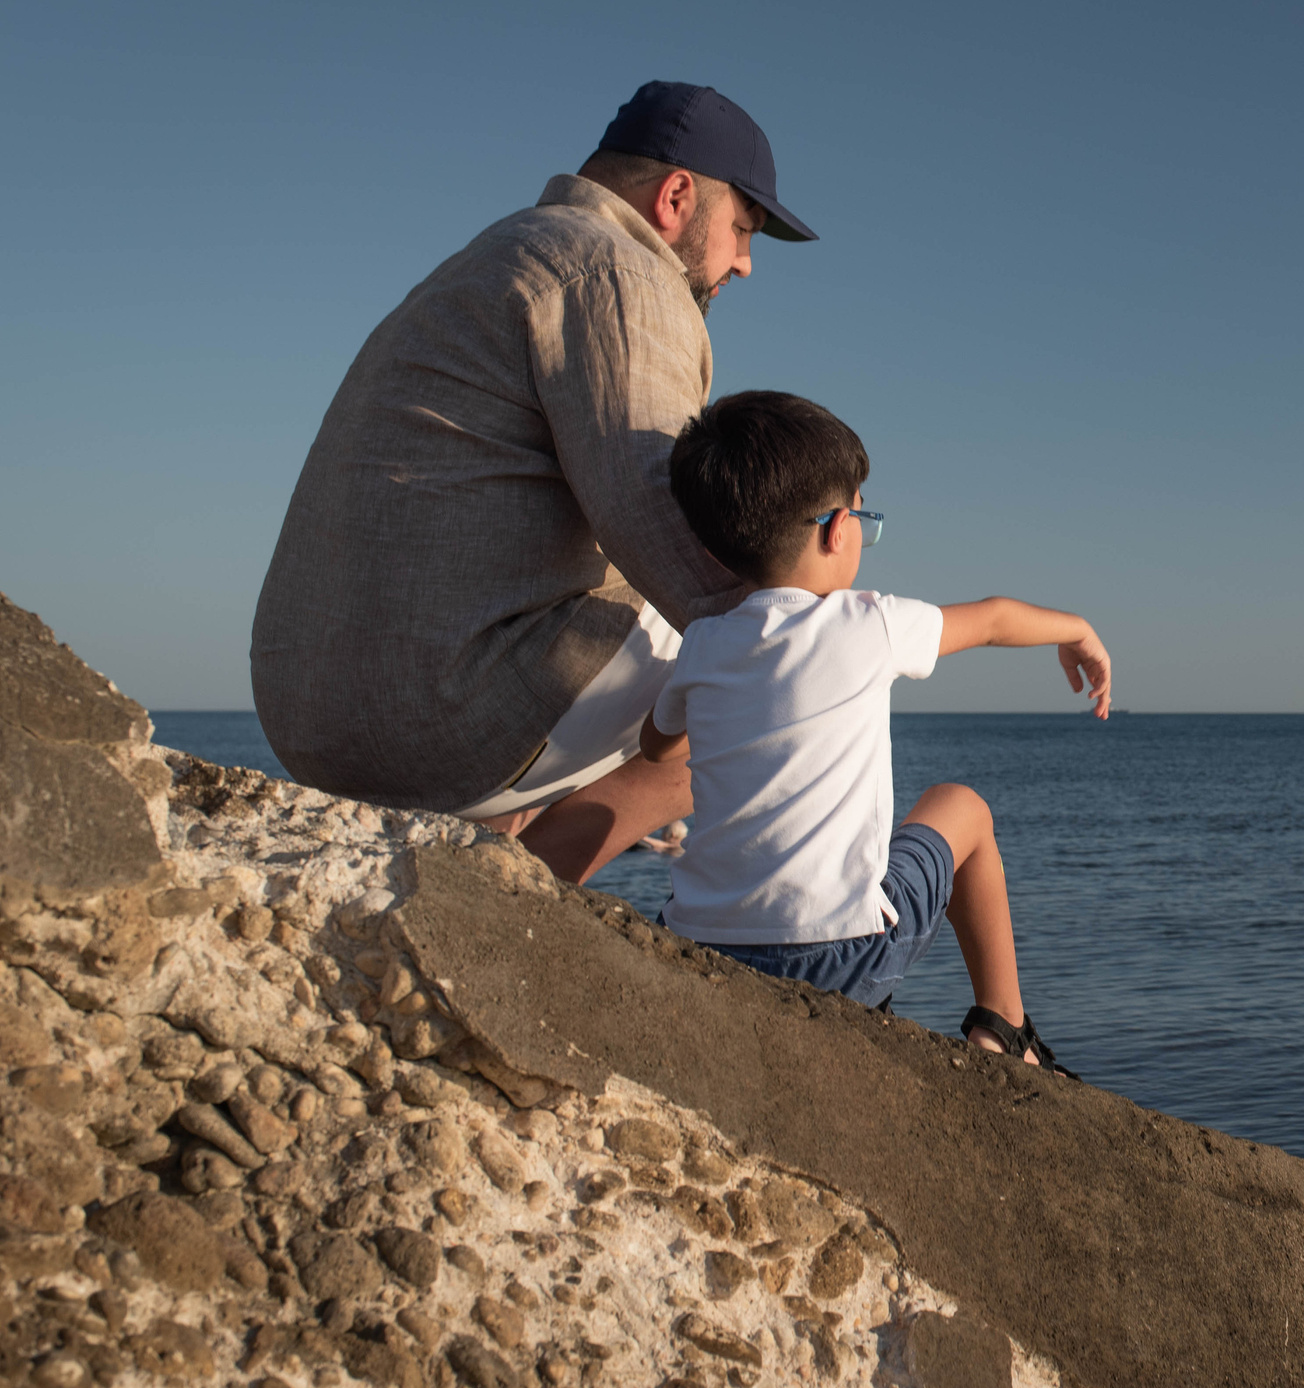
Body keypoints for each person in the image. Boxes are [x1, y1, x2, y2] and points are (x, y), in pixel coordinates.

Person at [251, 81, 815, 883]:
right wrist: (818, 655)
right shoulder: (622, 273)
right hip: (441, 716)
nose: (745, 264)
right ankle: (525, 897)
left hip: (312, 717)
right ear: (677, 197)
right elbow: (661, 517)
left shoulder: (504, 250)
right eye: (742, 230)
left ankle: (521, 817)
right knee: (755, 632)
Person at [641, 390, 1111, 1069]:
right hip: (841, 957)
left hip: (704, 946)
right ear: (837, 530)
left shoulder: (704, 644)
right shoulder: (868, 621)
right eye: (866, 516)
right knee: (965, 809)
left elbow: (655, 747)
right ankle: (1004, 1030)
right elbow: (995, 618)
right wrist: (1079, 630)